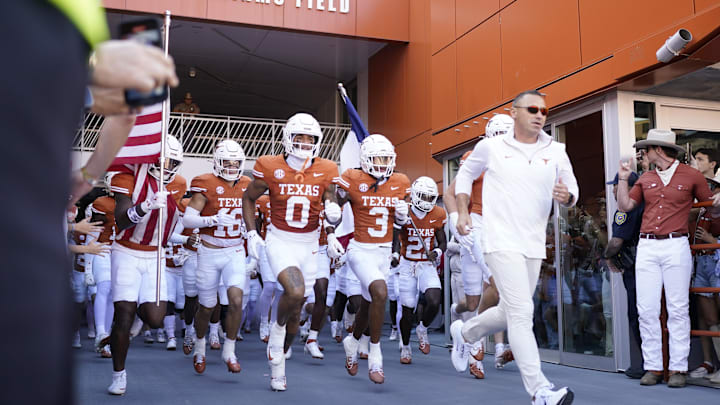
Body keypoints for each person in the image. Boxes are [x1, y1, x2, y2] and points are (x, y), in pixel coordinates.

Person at [452, 90, 579, 405]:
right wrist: (463, 210)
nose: (540, 115)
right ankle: (540, 391)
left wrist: (569, 196)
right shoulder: (491, 147)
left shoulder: (556, 149)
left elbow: (572, 184)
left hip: (533, 244)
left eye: (545, 111)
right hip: (499, 240)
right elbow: (465, 175)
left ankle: (466, 333)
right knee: (523, 313)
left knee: (511, 311)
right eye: (533, 109)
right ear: (514, 112)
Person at [242, 112, 343, 391]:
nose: (304, 142)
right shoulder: (269, 165)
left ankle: (281, 353)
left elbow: (330, 201)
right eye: (299, 136)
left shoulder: (326, 169)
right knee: (294, 292)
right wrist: (252, 233)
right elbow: (248, 197)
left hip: (310, 243)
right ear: (288, 138)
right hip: (280, 239)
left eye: (310, 138)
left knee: (296, 312)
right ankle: (276, 339)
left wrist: (333, 220)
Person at [616, 128, 720, 388]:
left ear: (658, 150)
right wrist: (622, 180)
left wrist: (718, 200)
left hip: (676, 244)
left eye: (646, 149)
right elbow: (625, 206)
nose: (643, 153)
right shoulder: (645, 177)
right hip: (648, 246)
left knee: (678, 309)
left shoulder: (691, 175)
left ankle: (677, 368)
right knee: (646, 309)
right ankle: (653, 367)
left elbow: (711, 205)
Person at [108, 135, 186, 395]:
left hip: (156, 255)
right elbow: (122, 220)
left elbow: (169, 228)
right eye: (165, 159)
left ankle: (130, 326)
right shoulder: (127, 176)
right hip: (127, 250)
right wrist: (145, 207)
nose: (168, 166)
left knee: (155, 318)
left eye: (173, 161)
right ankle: (119, 374)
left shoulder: (178, 185)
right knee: (124, 313)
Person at [334, 134, 411, 384]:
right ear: (365, 159)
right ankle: (375, 355)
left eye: (386, 159)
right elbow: (334, 208)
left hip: (383, 252)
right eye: (377, 158)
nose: (381, 163)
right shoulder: (352, 178)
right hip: (360, 249)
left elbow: (400, 223)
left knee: (369, 304)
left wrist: (401, 216)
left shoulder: (400, 181)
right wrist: (331, 218)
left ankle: (353, 341)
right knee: (380, 292)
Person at [183, 140, 251, 374]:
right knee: (207, 306)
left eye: (236, 163)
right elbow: (188, 219)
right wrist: (211, 220)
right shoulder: (206, 183)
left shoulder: (246, 184)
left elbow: (252, 213)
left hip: (234, 250)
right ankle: (200, 348)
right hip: (209, 251)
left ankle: (229, 351)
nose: (232, 167)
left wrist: (249, 230)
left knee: (235, 300)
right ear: (216, 163)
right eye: (227, 163)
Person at [394, 176, 447, 364]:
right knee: (407, 309)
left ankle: (422, 328)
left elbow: (443, 241)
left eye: (429, 197)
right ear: (415, 195)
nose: (426, 201)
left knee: (434, 299)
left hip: (426, 264)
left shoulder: (438, 213)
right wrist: (393, 255)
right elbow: (394, 234)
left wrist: (437, 251)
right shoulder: (404, 211)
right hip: (407, 264)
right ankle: (406, 347)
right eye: (422, 196)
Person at [603, 172, 644, 378]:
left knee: (637, 316)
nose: (612, 190)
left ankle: (646, 364)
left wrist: (607, 257)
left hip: (636, 268)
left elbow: (616, 241)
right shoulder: (643, 204)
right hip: (647, 266)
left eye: (616, 186)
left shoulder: (625, 209)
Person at [688, 172, 720, 384]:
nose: (712, 188)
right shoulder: (705, 205)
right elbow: (685, 215)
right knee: (708, 317)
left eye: (716, 185)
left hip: (716, 260)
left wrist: (713, 240)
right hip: (702, 262)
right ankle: (711, 363)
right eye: (712, 184)